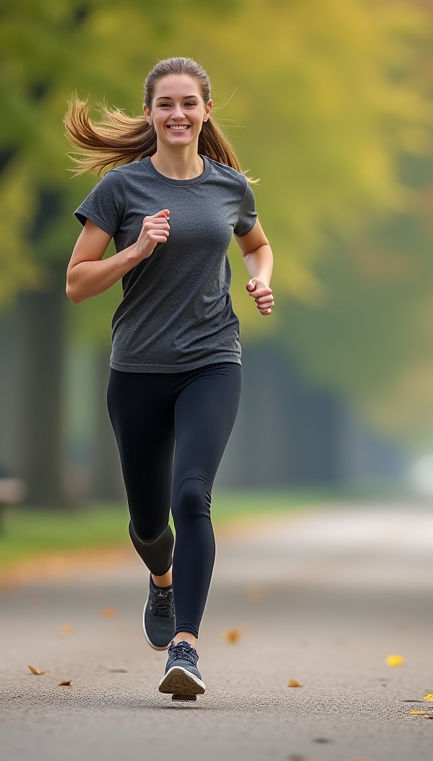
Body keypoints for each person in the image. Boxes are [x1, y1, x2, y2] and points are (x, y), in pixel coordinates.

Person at [63, 57, 274, 700]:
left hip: (213, 360)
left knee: (193, 496)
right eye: (165, 104)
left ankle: (186, 646)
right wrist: (135, 250)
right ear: (150, 113)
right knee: (150, 522)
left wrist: (261, 277)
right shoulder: (121, 190)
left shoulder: (229, 187)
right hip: (138, 368)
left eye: (189, 103)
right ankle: (162, 581)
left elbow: (257, 244)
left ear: (205, 111)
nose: (177, 114)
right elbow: (76, 283)